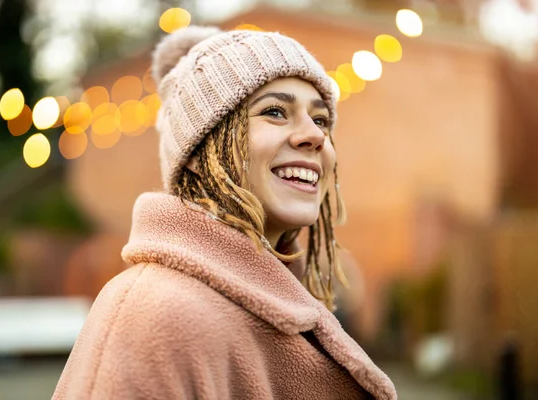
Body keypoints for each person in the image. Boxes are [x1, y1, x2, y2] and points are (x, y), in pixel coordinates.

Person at [52, 26, 396, 400]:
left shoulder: (278, 306)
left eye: (320, 119)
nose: (313, 136)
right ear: (200, 156)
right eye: (276, 112)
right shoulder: (155, 314)